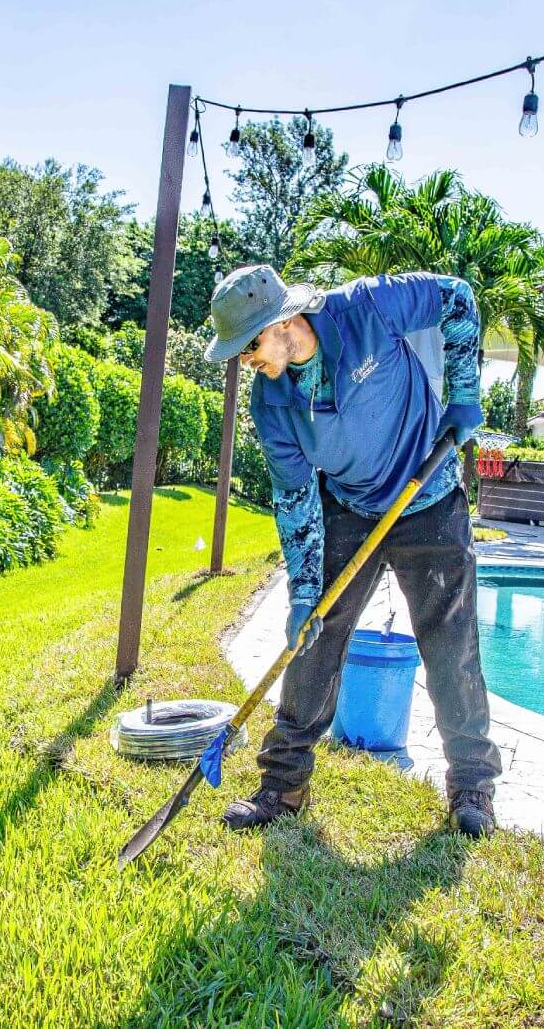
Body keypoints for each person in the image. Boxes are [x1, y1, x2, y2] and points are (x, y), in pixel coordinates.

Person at [203, 264, 502, 838]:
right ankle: (282, 784)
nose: (246, 362)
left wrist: (464, 395)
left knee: (450, 644)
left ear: (284, 321)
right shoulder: (271, 401)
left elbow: (457, 299)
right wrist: (303, 596)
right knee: (314, 640)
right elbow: (294, 496)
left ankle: (472, 787)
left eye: (250, 346)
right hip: (349, 506)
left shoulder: (367, 307)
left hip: (429, 495)